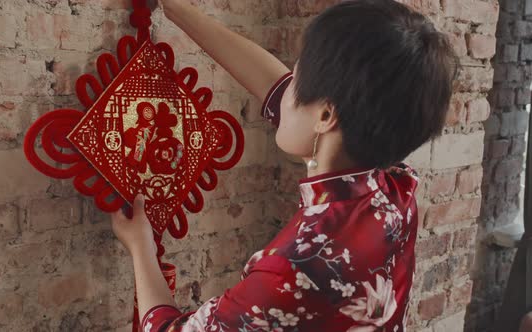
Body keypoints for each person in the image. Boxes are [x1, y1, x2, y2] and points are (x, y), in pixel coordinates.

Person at [111, 0, 459, 331]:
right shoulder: (395, 191)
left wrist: (141, 244)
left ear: (325, 115)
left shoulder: (296, 269)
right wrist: (175, 8)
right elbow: (273, 86)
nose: (285, 91)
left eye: (296, 81)